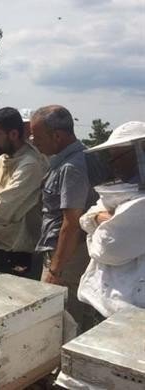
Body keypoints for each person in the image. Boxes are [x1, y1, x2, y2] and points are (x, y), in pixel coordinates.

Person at [30, 105, 98, 330]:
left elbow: (71, 223)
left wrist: (55, 271)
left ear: (57, 136)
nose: (33, 141)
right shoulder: (69, 160)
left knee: (60, 323)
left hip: (67, 259)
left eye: (37, 136)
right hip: (63, 254)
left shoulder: (72, 167)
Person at [77, 121, 145, 322]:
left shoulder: (140, 204)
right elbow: (85, 218)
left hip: (130, 309)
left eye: (118, 156)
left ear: (140, 152)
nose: (112, 164)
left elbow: (106, 249)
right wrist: (99, 218)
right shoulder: (120, 192)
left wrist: (95, 228)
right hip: (104, 301)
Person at [0, 107, 48, 279]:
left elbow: (1, 211)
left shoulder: (30, 164)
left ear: (13, 134)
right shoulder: (1, 159)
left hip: (19, 253)